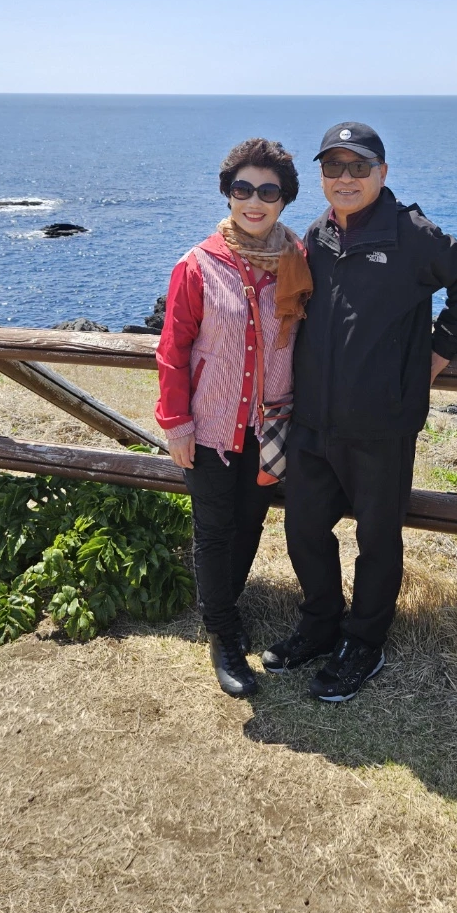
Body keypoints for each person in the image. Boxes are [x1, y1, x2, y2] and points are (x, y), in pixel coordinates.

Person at [262, 121, 457, 702]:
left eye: (358, 166)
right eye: (333, 166)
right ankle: (320, 624)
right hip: (313, 419)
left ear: (382, 173)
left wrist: (438, 353)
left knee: (378, 539)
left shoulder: (411, 234)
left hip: (382, 422)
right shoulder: (316, 235)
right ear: (321, 175)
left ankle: (364, 642)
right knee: (303, 528)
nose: (346, 178)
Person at [156, 138, 312, 697]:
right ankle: (223, 633)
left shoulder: (299, 261)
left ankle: (226, 606)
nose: (254, 201)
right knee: (214, 529)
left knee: (249, 522)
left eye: (268, 192)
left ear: (284, 199)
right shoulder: (197, 265)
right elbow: (173, 350)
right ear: (227, 194)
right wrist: (177, 424)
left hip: (273, 426)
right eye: (243, 189)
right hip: (211, 427)